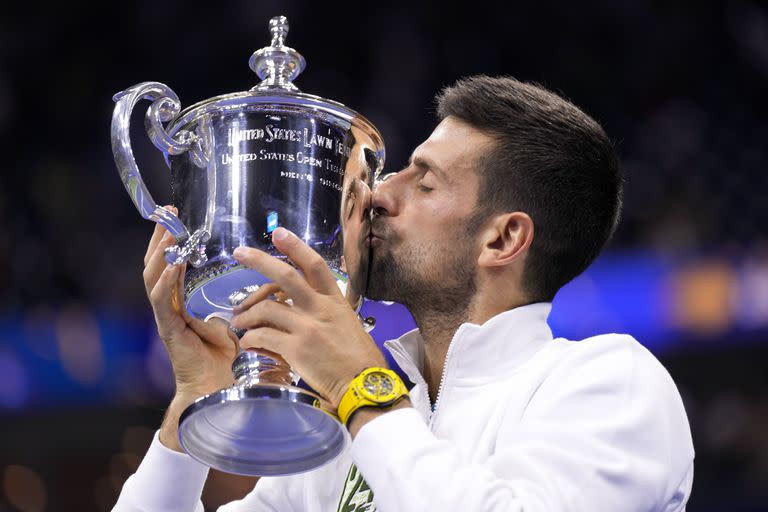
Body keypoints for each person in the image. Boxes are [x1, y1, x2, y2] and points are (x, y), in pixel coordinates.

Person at [114, 75, 694, 511]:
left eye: (425, 181)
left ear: (503, 238)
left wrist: (361, 386)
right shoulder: (343, 438)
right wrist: (196, 397)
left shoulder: (612, 383)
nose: (378, 196)